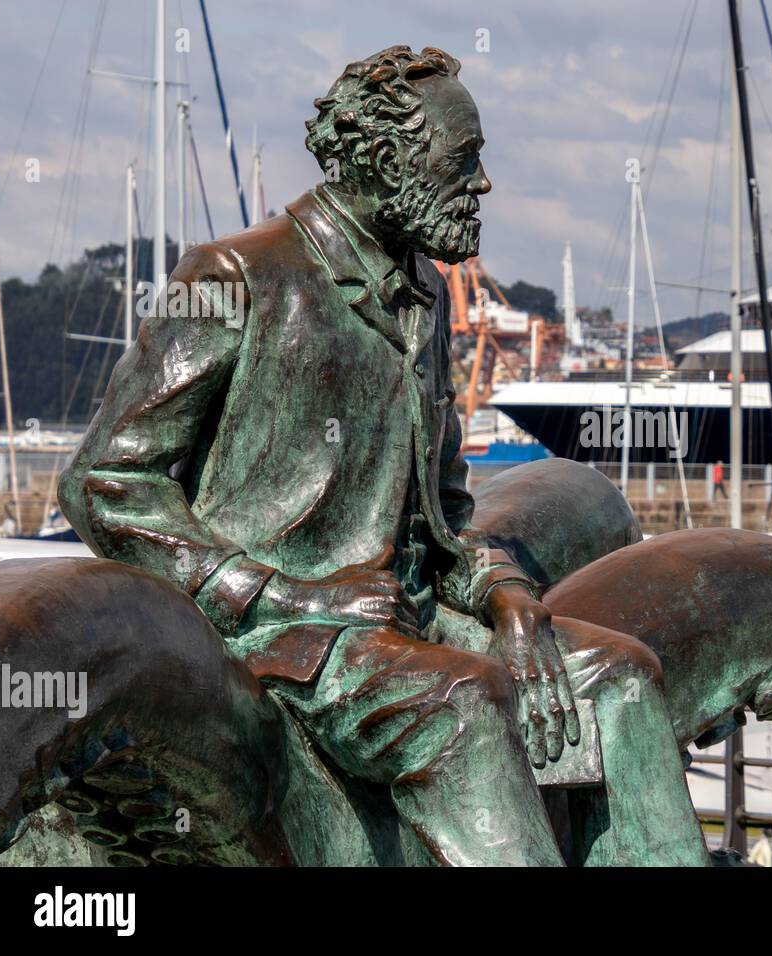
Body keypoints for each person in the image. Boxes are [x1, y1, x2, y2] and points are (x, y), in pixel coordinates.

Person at [59, 45, 707, 867]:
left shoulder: (426, 295)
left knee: (623, 679)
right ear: (383, 159)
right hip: (285, 637)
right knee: (466, 701)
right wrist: (273, 592)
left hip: (406, 624)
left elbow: (445, 514)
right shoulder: (236, 278)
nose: (483, 185)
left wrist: (505, 593)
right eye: (463, 161)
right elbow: (107, 483)